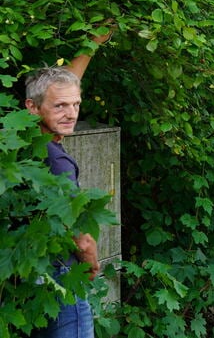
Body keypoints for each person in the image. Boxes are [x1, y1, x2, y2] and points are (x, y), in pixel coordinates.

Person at [24, 21, 115, 338]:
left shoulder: (19, 138)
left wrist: (93, 43)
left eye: (76, 104)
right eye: (61, 106)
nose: (71, 113)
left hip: (30, 274)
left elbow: (62, 88)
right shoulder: (58, 161)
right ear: (33, 108)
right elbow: (80, 236)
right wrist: (90, 262)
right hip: (63, 274)